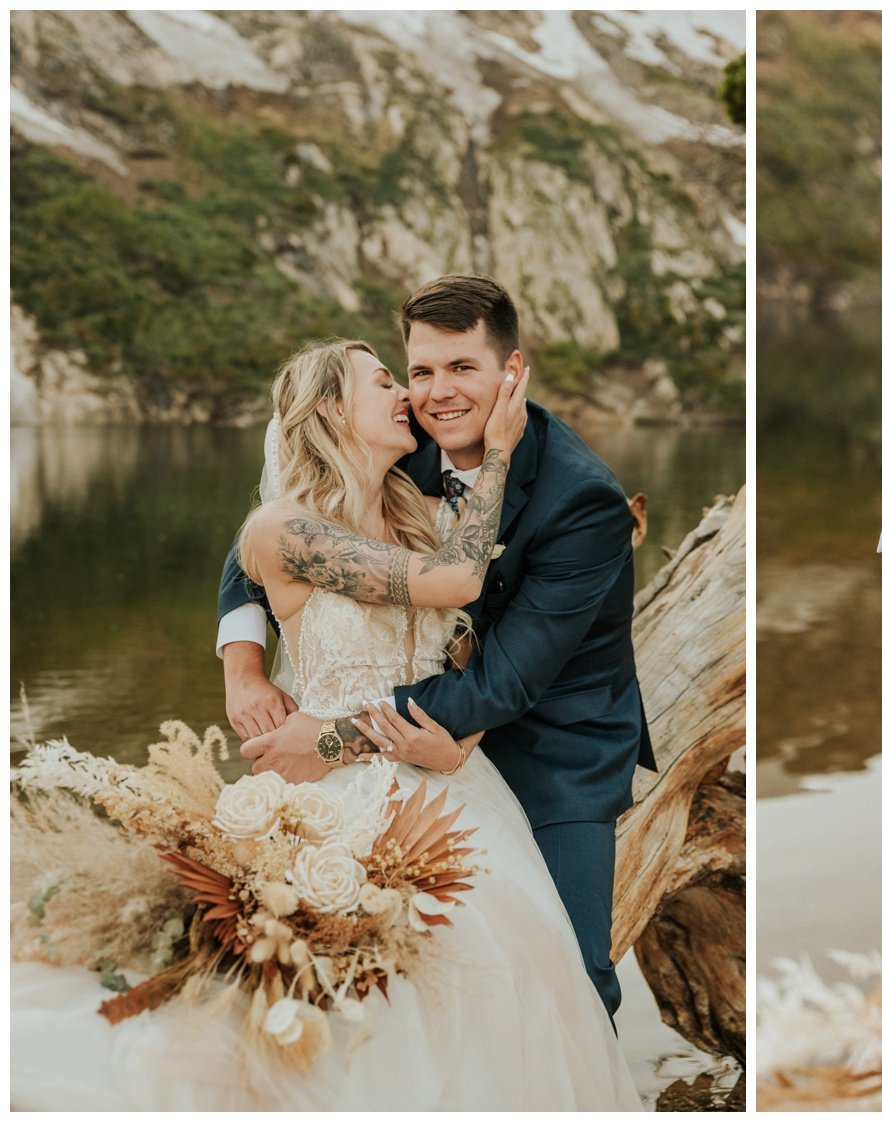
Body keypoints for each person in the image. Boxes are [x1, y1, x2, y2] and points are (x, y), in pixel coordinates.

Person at [11, 339, 639, 1110]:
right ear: (336, 410)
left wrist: (458, 741)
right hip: (326, 784)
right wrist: (243, 666)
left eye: (453, 373)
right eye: (395, 380)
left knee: (541, 968)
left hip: (471, 770)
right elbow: (275, 564)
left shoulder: (435, 504)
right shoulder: (291, 527)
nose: (413, 397)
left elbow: (476, 654)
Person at [218, 275, 654, 1020]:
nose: (435, 393)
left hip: (551, 742)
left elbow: (502, 684)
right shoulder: (399, 446)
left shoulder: (581, 501)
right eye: (419, 371)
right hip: (414, 738)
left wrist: (329, 741)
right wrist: (245, 667)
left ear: (511, 374)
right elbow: (264, 545)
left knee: (569, 978)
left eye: (463, 369)